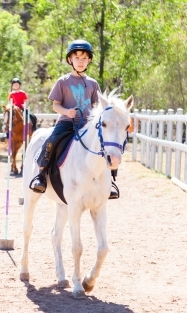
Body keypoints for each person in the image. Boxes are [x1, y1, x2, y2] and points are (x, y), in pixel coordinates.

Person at [29, 39, 119, 200]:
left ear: (89, 60)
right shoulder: (62, 82)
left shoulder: (93, 84)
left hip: (86, 125)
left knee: (106, 144)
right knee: (50, 141)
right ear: (70, 59)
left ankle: (110, 180)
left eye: (84, 58)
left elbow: (97, 106)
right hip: (66, 123)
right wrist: (67, 112)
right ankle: (41, 175)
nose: (81, 61)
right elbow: (55, 106)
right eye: (77, 58)